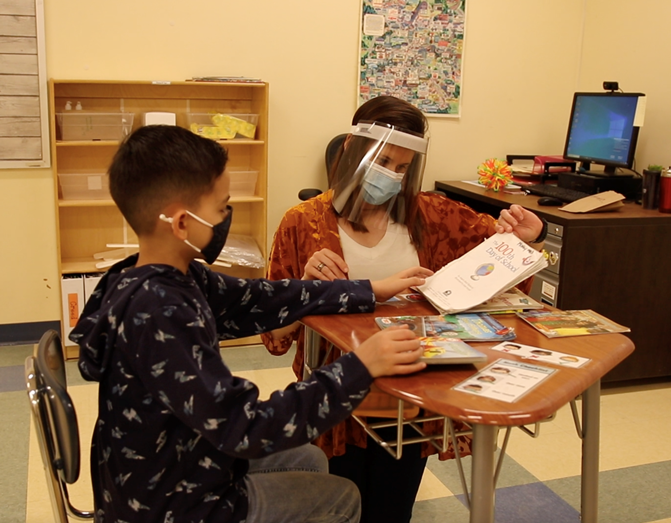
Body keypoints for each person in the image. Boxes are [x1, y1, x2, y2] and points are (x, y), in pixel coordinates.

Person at [69, 124, 435, 523]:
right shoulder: (160, 311)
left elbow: (261, 298)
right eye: (221, 206)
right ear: (180, 223)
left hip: (176, 461)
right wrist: (359, 367)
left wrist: (368, 290)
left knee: (310, 458)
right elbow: (245, 428)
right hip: (168, 502)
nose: (227, 216)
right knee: (340, 497)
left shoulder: (165, 275)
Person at [261, 95, 546, 523]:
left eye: (403, 167)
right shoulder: (303, 224)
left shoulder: (431, 214)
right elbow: (275, 337)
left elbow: (500, 264)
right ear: (351, 153)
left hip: (412, 394)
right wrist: (305, 292)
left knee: (392, 508)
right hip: (338, 393)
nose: (392, 177)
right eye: (384, 163)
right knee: (339, 503)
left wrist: (528, 239)